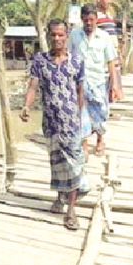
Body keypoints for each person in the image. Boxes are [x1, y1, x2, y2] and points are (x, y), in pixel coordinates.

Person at [20, 19, 89, 230]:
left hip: (71, 122)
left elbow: (79, 92)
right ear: (49, 37)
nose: (57, 39)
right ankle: (60, 196)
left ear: (67, 36)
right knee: (57, 161)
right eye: (54, 35)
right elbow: (33, 86)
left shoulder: (77, 61)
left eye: (61, 35)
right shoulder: (40, 60)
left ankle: (71, 211)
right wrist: (26, 106)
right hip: (50, 121)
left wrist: (80, 119)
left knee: (74, 164)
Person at [68, 4, 121, 160]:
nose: (89, 23)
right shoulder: (75, 35)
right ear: (82, 20)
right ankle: (84, 144)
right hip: (80, 83)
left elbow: (111, 61)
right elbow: (68, 57)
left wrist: (115, 85)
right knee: (81, 114)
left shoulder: (104, 37)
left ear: (96, 19)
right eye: (86, 20)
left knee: (101, 113)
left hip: (98, 82)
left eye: (91, 20)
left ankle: (99, 140)